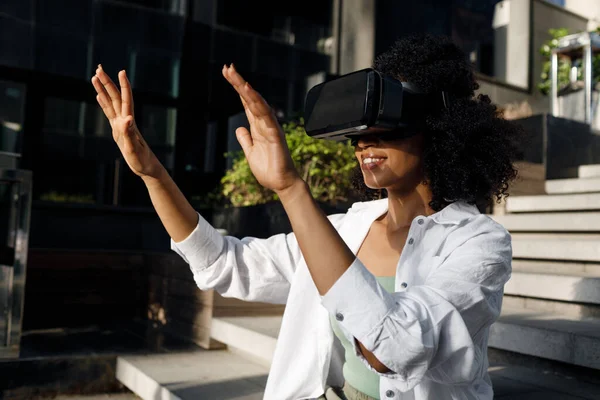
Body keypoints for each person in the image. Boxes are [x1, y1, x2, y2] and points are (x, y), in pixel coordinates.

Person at [91, 34, 520, 400]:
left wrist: (292, 188)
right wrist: (152, 173)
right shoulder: (344, 230)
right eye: (357, 134)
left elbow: (392, 347)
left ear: (441, 133)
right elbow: (222, 263)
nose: (365, 146)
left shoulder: (479, 243)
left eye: (385, 130)